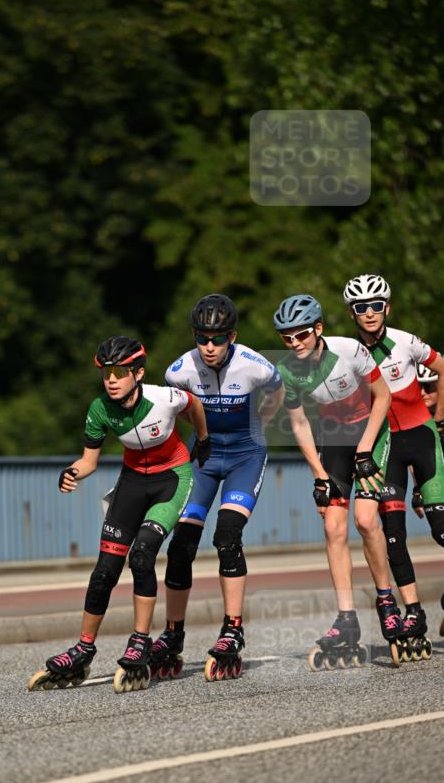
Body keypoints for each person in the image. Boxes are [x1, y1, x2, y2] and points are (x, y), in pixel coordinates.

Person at [27, 335, 210, 694]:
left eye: (120, 372)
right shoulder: (99, 408)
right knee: (104, 571)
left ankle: (140, 641)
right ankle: (84, 648)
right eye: (106, 373)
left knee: (141, 555)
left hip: (171, 479)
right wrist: (72, 472)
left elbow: (195, 404)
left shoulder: (163, 398)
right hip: (132, 481)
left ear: (138, 373)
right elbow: (89, 461)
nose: (111, 380)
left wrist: (203, 439)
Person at [154, 293, 284, 682]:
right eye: (202, 338)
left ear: (233, 337)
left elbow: (278, 393)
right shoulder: (179, 371)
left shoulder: (254, 365)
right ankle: (173, 634)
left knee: (227, 535)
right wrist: (197, 435)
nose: (209, 346)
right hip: (205, 456)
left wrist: (261, 424)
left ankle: (232, 629)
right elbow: (173, 409)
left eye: (218, 338)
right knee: (182, 543)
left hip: (245, 454)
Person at [273, 293, 405, 667]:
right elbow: (299, 422)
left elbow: (383, 396)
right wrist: (318, 473)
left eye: (301, 334)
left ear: (318, 329)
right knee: (333, 527)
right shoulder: (288, 370)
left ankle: (386, 600)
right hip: (333, 438)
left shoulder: (349, 350)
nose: (294, 343)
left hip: (371, 431)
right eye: (287, 338)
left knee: (365, 520)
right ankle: (346, 617)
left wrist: (365, 449)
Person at [343, 274, 444, 654]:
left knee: (441, 531)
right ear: (352, 313)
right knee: (393, 536)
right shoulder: (350, 354)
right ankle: (414, 611)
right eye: (361, 307)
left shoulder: (405, 341)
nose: (369, 313)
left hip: (422, 438)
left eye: (375, 305)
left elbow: (443, 366)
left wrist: (440, 420)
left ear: (387, 307)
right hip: (386, 447)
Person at [415, 357, 444, 637]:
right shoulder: (416, 419)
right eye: (419, 387)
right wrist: (416, 491)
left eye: (430, 387)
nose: (423, 393)